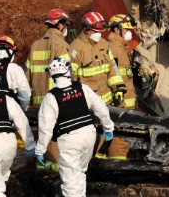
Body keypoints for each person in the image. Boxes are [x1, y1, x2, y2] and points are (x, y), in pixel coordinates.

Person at [35, 58, 114, 197]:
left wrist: (40, 149)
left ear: (52, 76)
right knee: (80, 173)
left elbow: (45, 128)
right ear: (68, 71)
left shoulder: (51, 97)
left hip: (69, 140)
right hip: (89, 135)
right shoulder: (82, 87)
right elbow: (100, 107)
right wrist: (108, 127)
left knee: (71, 181)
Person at [69, 12, 126, 106]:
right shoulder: (76, 48)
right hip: (89, 105)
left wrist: (118, 88)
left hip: (107, 103)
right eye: (95, 31)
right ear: (85, 29)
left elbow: (113, 69)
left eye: (100, 31)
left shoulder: (104, 44)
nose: (98, 34)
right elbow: (71, 79)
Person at [25, 8, 73, 108]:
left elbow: (27, 75)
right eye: (65, 25)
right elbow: (68, 74)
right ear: (60, 25)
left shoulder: (35, 45)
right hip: (57, 102)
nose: (66, 28)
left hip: (38, 103)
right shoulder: (61, 45)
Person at [106, 14, 137, 110]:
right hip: (123, 106)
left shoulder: (121, 47)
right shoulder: (113, 48)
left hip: (129, 101)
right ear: (116, 30)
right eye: (127, 30)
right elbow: (112, 76)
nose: (129, 33)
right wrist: (120, 104)